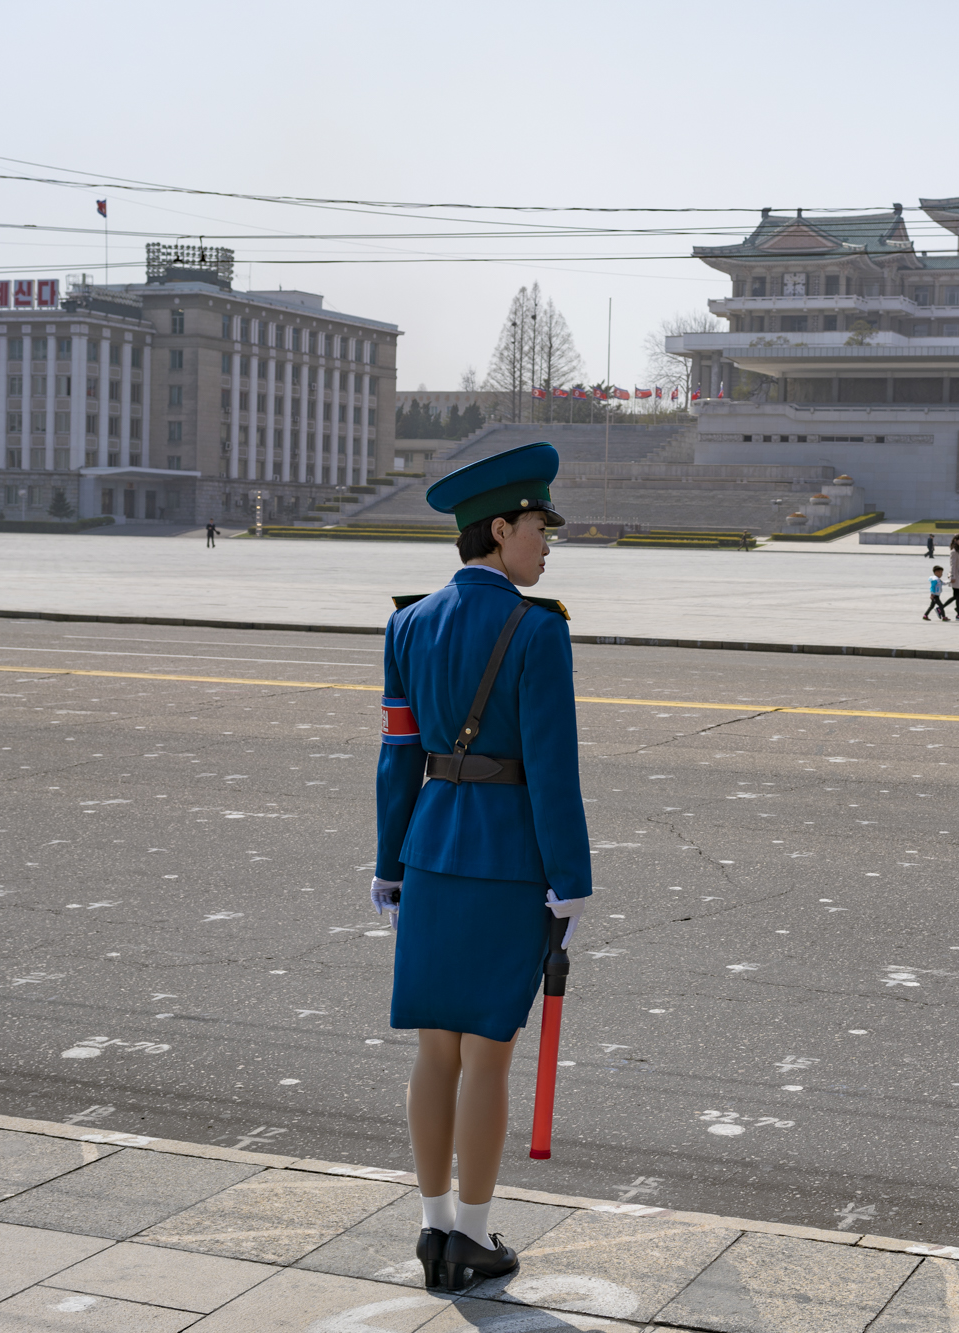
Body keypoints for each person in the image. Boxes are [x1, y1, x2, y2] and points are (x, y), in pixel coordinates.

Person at [371, 442, 590, 1293]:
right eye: (539, 528)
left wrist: (389, 862)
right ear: (500, 529)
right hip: (507, 856)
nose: (546, 545)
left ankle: (431, 1231)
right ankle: (471, 1235)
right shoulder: (537, 629)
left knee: (435, 1050)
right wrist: (570, 878)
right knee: (488, 1055)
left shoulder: (407, 623)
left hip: (429, 848)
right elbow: (552, 765)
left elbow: (397, 755)